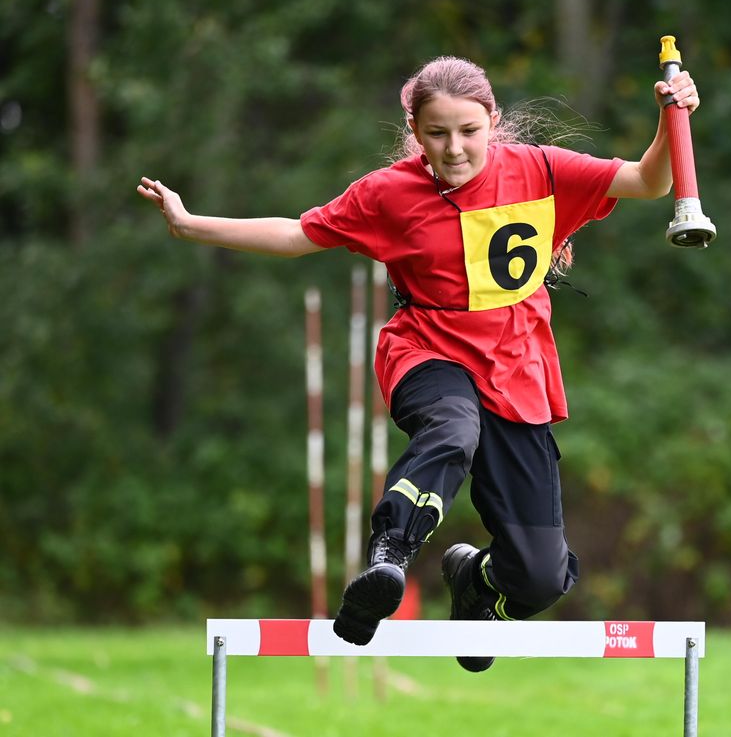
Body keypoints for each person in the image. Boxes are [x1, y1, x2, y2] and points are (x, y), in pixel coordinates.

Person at [137, 55, 700, 673]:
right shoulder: (389, 193)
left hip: (517, 370)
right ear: (415, 129)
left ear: (492, 122)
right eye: (437, 134)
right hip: (428, 350)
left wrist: (670, 120)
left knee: (540, 577)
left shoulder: (541, 170)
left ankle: (477, 582)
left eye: (467, 131)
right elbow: (296, 234)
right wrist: (192, 225)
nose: (454, 149)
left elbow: (650, 182)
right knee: (452, 429)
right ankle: (390, 555)